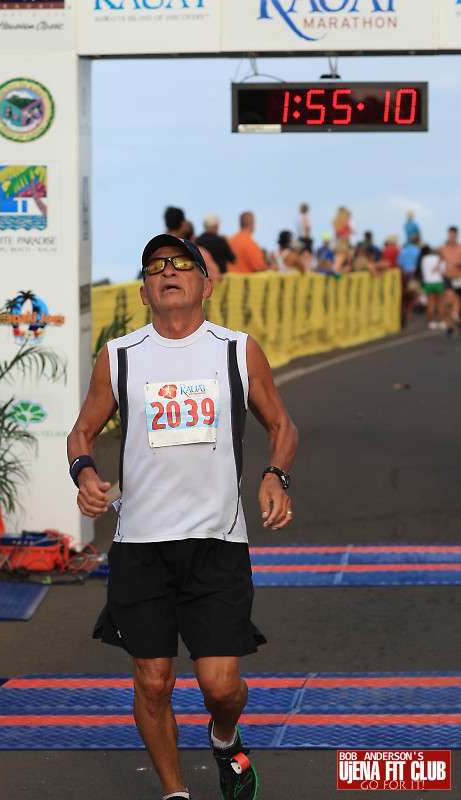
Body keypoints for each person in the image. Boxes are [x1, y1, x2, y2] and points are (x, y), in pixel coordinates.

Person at [67, 233, 298, 800]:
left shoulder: (236, 351)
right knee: (153, 681)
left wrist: (276, 475)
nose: (168, 271)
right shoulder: (119, 356)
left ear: (205, 284)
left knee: (221, 686)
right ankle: (175, 792)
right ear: (144, 292)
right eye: (155, 267)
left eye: (181, 264)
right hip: (141, 546)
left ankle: (224, 738)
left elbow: (282, 426)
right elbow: (81, 432)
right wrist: (84, 473)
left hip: (217, 542)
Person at [417, 245, 446, 330]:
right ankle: (441, 321)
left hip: (428, 282)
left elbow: (423, 271)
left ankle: (431, 322)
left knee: (430, 303)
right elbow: (443, 270)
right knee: (440, 303)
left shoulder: (424, 259)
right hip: (438, 281)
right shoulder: (439, 259)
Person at [439, 226, 461, 336]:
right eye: (450, 235)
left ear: (456, 236)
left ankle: (457, 318)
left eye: (453, 235)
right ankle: (451, 325)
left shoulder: (460, 248)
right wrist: (438, 269)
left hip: (459, 278)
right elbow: (440, 261)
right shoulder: (443, 248)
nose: (451, 238)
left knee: (457, 301)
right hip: (448, 279)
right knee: (449, 300)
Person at [397, 233, 422, 326]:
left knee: (404, 298)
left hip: (404, 276)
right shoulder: (418, 251)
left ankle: (404, 315)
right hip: (413, 276)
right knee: (411, 298)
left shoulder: (404, 250)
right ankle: (408, 315)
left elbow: (399, 263)